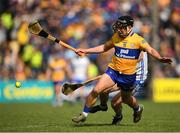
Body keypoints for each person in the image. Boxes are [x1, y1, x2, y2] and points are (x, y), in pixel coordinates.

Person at [72, 15, 172, 123]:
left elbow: (151, 50)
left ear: (129, 28)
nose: (118, 30)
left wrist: (160, 58)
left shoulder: (138, 40)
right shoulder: (116, 37)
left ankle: (137, 109)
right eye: (118, 27)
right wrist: (86, 51)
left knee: (122, 100)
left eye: (121, 28)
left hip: (130, 76)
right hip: (114, 71)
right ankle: (85, 113)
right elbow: (104, 47)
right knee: (97, 90)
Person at [89, 51, 148, 125]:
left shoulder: (137, 42)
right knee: (104, 89)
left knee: (115, 103)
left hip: (137, 79)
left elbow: (139, 58)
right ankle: (103, 106)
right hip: (124, 75)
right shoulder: (123, 43)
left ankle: (137, 109)